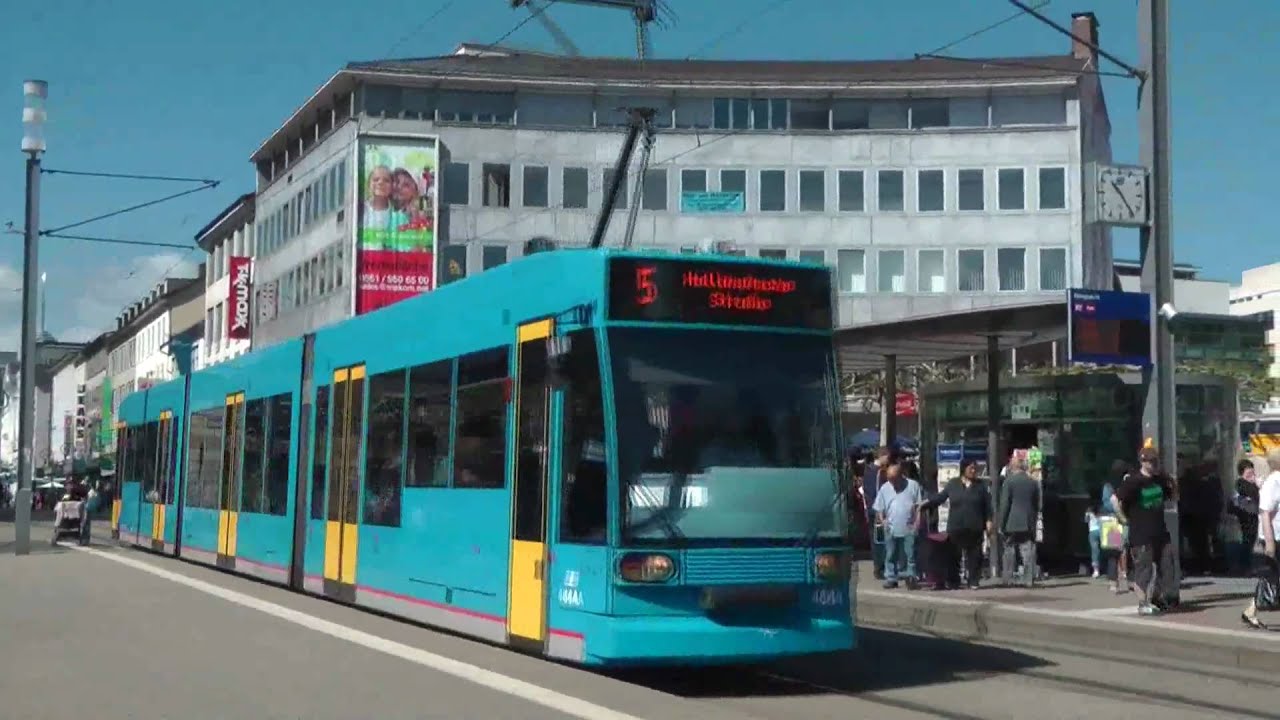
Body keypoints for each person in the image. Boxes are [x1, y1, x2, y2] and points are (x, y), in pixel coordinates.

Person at [1112, 447, 1177, 616]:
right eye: (1150, 461)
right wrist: (1124, 519)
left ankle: (1157, 598)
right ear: (1142, 462)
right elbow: (1116, 500)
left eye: (1156, 460)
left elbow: (1173, 496)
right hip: (1141, 534)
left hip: (1160, 532)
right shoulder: (1134, 481)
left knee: (1167, 566)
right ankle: (1142, 603)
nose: (1154, 464)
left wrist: (1173, 482)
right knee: (1144, 570)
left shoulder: (1160, 480)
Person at [921, 458, 993, 590]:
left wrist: (989, 520)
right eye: (970, 468)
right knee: (953, 556)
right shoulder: (953, 484)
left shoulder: (980, 486)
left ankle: (973, 581)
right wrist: (925, 503)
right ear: (963, 469)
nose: (973, 471)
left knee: (975, 555)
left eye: (974, 468)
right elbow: (940, 497)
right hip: (956, 525)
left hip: (975, 525)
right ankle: (953, 581)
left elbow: (988, 505)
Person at [1241, 449, 1280, 629]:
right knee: (1270, 576)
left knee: (1270, 577)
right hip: (1275, 537)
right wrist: (1269, 541)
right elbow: (1265, 513)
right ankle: (1251, 610)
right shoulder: (1273, 481)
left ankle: (1250, 611)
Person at [872, 462, 922, 589]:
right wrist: (883, 521)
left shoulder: (913, 485)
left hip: (909, 526)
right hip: (891, 527)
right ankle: (891, 578)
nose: (891, 482)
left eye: (893, 479)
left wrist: (917, 523)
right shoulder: (885, 488)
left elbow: (918, 506)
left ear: (901, 475)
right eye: (889, 479)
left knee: (910, 554)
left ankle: (911, 578)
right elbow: (879, 508)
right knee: (890, 554)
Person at [999, 454, 1041, 588]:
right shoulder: (1033, 482)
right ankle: (1029, 579)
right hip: (1028, 521)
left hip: (1011, 521)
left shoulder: (1009, 481)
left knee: (1009, 551)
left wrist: (1001, 523)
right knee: (1027, 551)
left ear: (1012, 467)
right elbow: (1038, 505)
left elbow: (1005, 504)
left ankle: (1009, 579)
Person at [1101, 459, 1131, 593]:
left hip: (1112, 522)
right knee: (1128, 551)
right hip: (1126, 521)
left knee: (1113, 553)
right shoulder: (1127, 483)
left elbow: (1106, 504)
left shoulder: (1108, 486)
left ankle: (1113, 583)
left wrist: (1116, 506)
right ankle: (1131, 580)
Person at [1231, 458, 1261, 575]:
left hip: (1251, 514)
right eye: (1248, 473)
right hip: (1245, 515)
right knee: (1247, 540)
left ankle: (1245, 565)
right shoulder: (1241, 483)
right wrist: (1255, 484)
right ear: (1242, 473)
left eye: (1252, 473)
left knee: (1250, 540)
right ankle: (1244, 566)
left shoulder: (1248, 484)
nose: (1251, 476)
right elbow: (1253, 493)